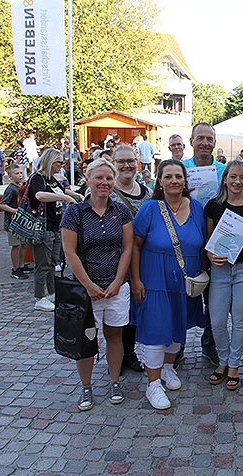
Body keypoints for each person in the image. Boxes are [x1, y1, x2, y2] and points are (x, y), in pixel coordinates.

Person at [130, 159, 206, 410]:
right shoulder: (150, 208)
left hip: (185, 280)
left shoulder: (196, 207)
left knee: (178, 326)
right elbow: (135, 246)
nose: (174, 181)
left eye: (179, 176)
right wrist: (136, 280)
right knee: (155, 330)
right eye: (168, 176)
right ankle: (153, 385)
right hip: (155, 279)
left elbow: (204, 242)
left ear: (185, 181)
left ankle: (167, 368)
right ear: (159, 181)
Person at [60, 158, 133, 411]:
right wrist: (89, 285)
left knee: (114, 335)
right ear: (88, 179)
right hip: (86, 290)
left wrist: (117, 281)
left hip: (115, 287)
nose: (105, 183)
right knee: (86, 338)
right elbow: (70, 252)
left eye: (109, 178)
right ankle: (86, 386)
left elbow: (127, 249)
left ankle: (114, 381)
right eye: (99, 178)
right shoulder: (74, 212)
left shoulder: (121, 211)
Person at [205, 161, 243, 390]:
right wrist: (211, 256)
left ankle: (233, 365)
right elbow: (209, 240)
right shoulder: (213, 206)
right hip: (221, 269)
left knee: (240, 321)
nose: (237, 182)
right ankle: (222, 360)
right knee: (218, 320)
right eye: (233, 177)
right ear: (225, 179)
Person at [180, 123, 226, 366]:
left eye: (210, 139)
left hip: (215, 238)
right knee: (182, 294)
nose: (205, 143)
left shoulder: (224, 170)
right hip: (185, 238)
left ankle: (209, 343)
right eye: (201, 138)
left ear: (215, 143)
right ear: (191, 141)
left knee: (213, 295)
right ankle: (177, 345)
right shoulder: (181, 169)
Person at [109, 145, 153, 374]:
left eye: (130, 161)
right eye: (120, 161)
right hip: (115, 262)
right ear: (113, 163)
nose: (126, 166)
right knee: (120, 310)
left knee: (136, 307)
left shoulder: (146, 191)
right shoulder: (107, 190)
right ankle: (122, 353)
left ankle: (130, 350)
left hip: (142, 259)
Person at [27, 149, 77, 311]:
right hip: (42, 227)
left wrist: (77, 196)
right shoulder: (37, 178)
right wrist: (64, 198)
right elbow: (40, 195)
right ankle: (39, 296)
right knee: (43, 263)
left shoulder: (52, 179)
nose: (62, 166)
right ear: (51, 161)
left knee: (52, 262)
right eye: (59, 163)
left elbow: (62, 191)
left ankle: (51, 292)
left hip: (55, 226)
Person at [0, 164, 31, 279]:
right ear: (10, 176)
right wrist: (14, 210)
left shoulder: (20, 187)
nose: (20, 175)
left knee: (23, 244)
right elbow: (2, 204)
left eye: (21, 173)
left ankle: (21, 265)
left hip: (21, 222)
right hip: (13, 223)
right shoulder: (11, 189)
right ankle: (15, 269)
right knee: (16, 245)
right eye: (17, 174)